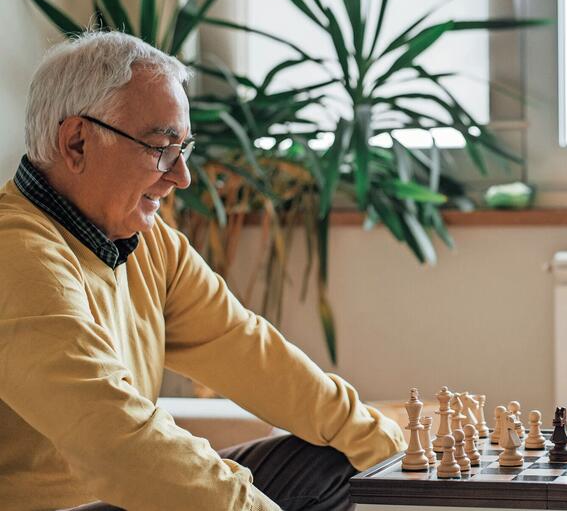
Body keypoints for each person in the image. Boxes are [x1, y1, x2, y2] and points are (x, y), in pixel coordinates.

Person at [0, 32, 404, 510]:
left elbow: (251, 350)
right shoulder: (17, 253)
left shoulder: (148, 244)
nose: (181, 176)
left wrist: (393, 451)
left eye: (182, 149)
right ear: (77, 142)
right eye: (160, 147)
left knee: (337, 460)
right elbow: (117, 441)